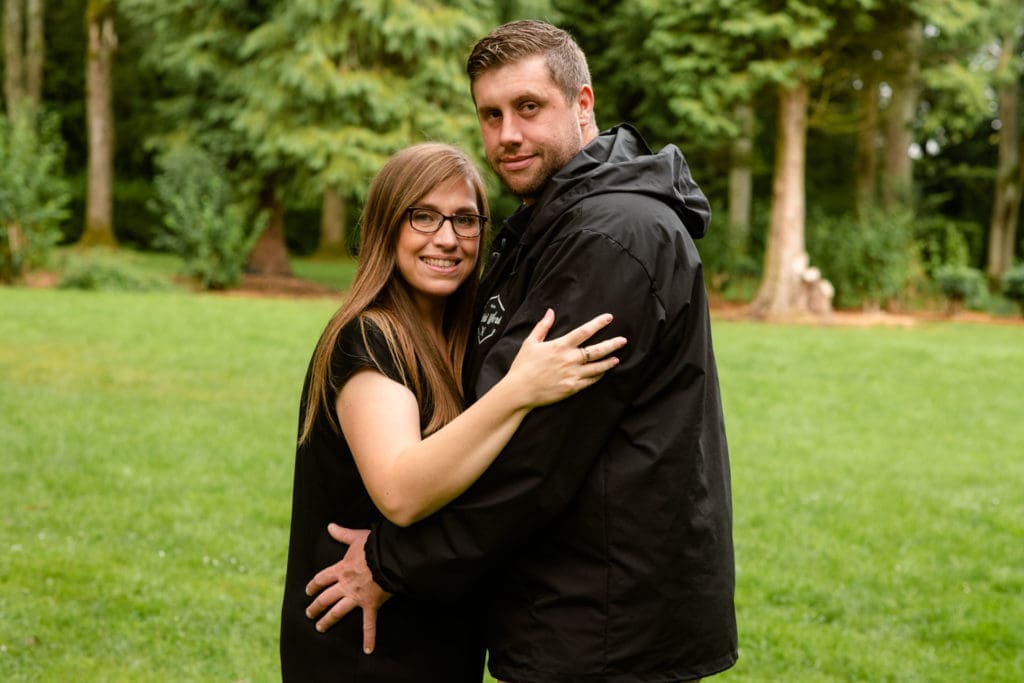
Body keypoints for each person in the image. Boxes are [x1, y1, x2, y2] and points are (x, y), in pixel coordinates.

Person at [305, 19, 738, 682]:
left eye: (528, 108)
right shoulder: (555, 222)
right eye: (491, 114)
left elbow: (534, 456)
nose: (507, 134)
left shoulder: (612, 237)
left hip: (601, 628)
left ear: (582, 103)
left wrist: (394, 562)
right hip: (571, 612)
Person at [279, 141, 626, 682]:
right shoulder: (369, 339)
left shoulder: (464, 339)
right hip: (364, 646)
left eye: (465, 220)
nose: (446, 238)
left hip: (441, 635)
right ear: (385, 227)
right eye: (423, 216)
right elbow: (401, 492)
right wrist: (518, 391)